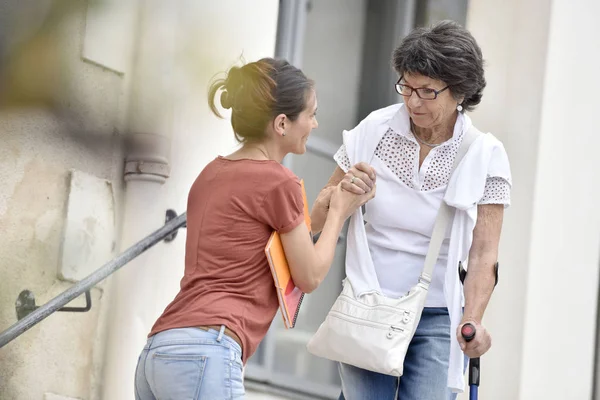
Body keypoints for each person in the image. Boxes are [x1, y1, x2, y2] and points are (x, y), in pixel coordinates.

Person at [133, 58, 375, 400]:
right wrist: (339, 213)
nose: (315, 124)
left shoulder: (211, 173)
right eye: (310, 114)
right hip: (209, 349)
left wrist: (315, 217)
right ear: (281, 123)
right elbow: (309, 276)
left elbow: (257, 240)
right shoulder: (280, 181)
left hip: (160, 349)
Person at [310, 21, 511, 399]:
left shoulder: (486, 155)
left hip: (436, 315)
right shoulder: (374, 130)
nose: (413, 101)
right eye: (407, 86)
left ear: (461, 92)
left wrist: (473, 320)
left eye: (428, 92)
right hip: (366, 303)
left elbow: (484, 253)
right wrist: (342, 193)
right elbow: (316, 218)